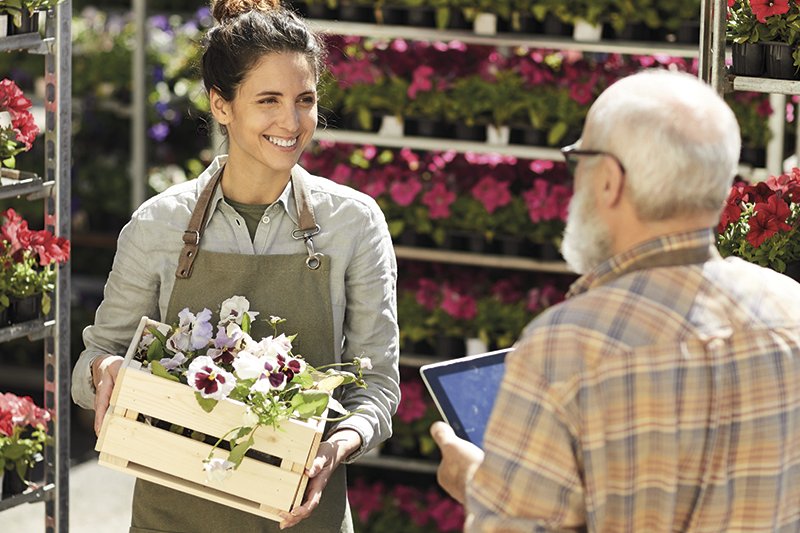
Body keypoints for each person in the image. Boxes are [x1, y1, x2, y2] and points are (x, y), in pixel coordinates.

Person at [71, 1, 399, 531]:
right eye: (268, 100)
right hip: (172, 519)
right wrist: (105, 371)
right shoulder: (158, 225)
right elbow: (94, 361)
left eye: (305, 100)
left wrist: (336, 446)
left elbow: (378, 385)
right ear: (220, 105)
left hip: (302, 517)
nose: (291, 122)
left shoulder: (353, 225)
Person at [431, 69, 800, 531]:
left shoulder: (565, 349)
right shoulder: (790, 308)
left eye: (577, 161)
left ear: (609, 178)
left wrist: (476, 484)